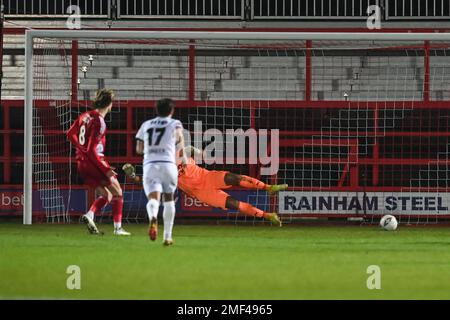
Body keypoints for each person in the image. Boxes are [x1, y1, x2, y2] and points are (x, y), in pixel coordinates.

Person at [123, 146, 286, 227]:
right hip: (201, 193)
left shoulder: (175, 153)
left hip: (207, 176)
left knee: (234, 178)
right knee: (235, 204)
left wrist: (196, 151)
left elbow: (187, 150)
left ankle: (268, 187)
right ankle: (267, 215)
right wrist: (131, 176)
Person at [66, 89, 130, 236]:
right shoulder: (99, 121)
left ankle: (90, 215)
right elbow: (92, 150)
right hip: (95, 161)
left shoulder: (85, 115)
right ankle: (118, 229)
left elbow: (70, 134)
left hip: (81, 164)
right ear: (109, 104)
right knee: (118, 193)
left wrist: (80, 148)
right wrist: (105, 168)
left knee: (107, 195)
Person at [135, 98, 187, 246]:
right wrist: (183, 158)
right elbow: (179, 140)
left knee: (153, 199)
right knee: (169, 199)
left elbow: (139, 149)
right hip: (168, 165)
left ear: (156, 110)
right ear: (171, 111)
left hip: (151, 165)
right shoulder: (175, 123)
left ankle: (153, 217)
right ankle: (167, 237)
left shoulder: (146, 125)